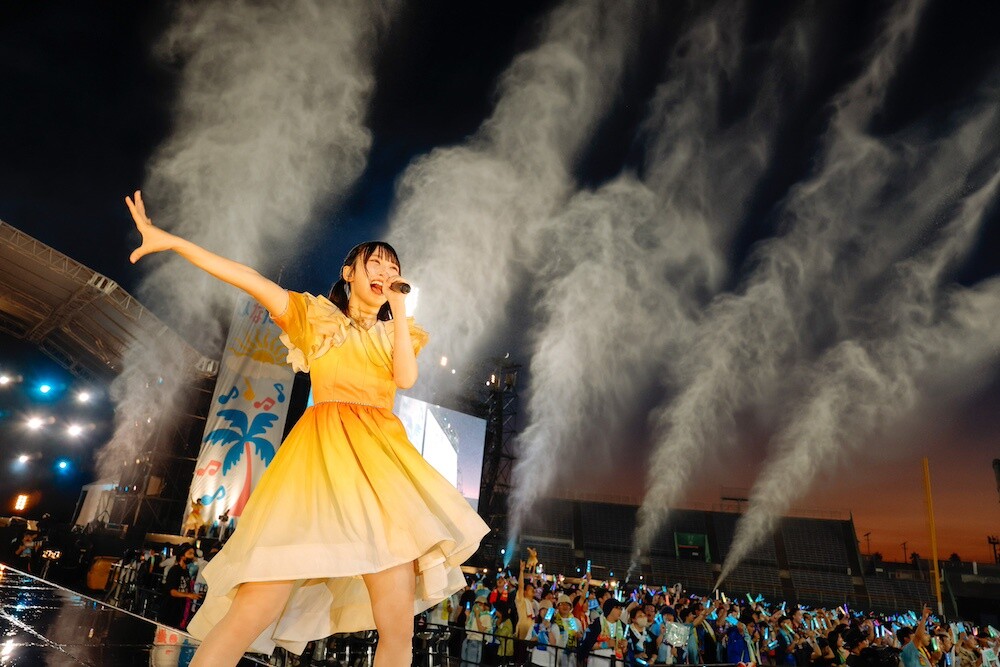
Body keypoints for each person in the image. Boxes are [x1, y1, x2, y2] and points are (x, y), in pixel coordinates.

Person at [125, 190, 489, 667]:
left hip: (381, 477)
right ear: (349, 273)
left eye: (392, 267)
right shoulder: (315, 318)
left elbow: (405, 378)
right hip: (317, 467)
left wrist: (399, 312)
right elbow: (250, 279)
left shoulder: (397, 331)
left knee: (397, 624)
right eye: (375, 263)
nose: (385, 272)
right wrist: (172, 242)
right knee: (254, 608)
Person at [161, 543, 202, 630]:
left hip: (180, 610)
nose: (192, 556)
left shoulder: (186, 571)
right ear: (182, 556)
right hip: (170, 609)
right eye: (190, 553)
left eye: (193, 553)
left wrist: (193, 594)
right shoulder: (175, 570)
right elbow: (172, 592)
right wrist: (188, 595)